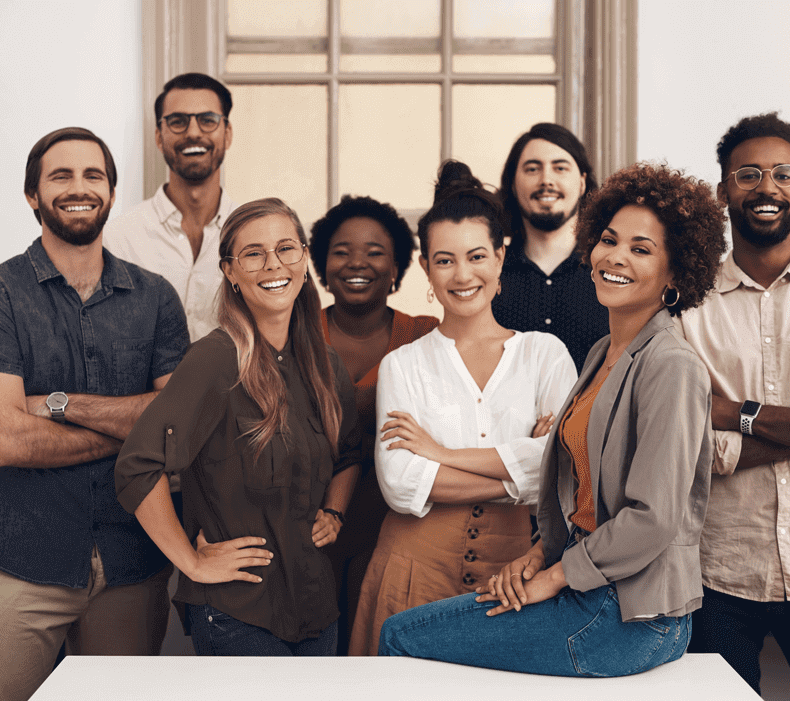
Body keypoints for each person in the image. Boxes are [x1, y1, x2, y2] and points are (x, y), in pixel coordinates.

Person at [379, 162, 727, 679]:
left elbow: (653, 518)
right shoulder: (603, 353)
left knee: (401, 635)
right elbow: (573, 485)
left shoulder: (670, 366)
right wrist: (539, 554)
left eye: (641, 249)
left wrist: (557, 576)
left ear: (676, 273)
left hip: (629, 612)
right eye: (609, 240)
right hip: (594, 588)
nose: (616, 257)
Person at [0, 127, 190, 701]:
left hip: (131, 560)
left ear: (110, 193)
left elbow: (176, 425)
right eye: (60, 176)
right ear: (33, 195)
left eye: (94, 176)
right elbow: (5, 442)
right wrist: (133, 432)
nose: (79, 188)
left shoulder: (156, 298)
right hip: (18, 560)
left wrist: (58, 406)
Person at [348, 161, 577, 656]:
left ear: (500, 257)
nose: (462, 274)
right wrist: (524, 471)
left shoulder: (545, 354)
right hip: (409, 573)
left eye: (476, 256)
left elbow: (568, 471)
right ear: (427, 269)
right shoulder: (401, 366)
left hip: (514, 581)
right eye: (445, 260)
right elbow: (402, 485)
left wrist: (438, 452)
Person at [115, 198, 362, 656]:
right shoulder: (215, 360)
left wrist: (335, 510)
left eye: (287, 248)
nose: (273, 264)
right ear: (230, 271)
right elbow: (136, 467)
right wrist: (190, 561)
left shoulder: (325, 365)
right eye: (253, 253)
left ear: (305, 259)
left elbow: (349, 454)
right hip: (240, 613)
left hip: (316, 608)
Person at [680, 113, 790, 699]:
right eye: (749, 174)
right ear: (722, 193)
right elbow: (688, 446)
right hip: (719, 574)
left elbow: (714, 424)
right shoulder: (687, 307)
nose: (768, 187)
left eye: (783, 173)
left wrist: (734, 411)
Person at [309, 195, 439, 650]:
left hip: (399, 533)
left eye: (375, 252)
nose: (356, 263)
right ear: (322, 266)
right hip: (309, 531)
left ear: (398, 268)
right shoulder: (293, 339)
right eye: (341, 251)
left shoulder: (427, 336)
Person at [104, 72, 237, 342]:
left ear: (227, 133)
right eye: (178, 121)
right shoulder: (117, 240)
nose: (193, 132)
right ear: (158, 136)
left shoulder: (252, 235)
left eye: (208, 120)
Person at [493, 123, 609, 370]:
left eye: (560, 168)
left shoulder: (612, 270)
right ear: (513, 184)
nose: (546, 180)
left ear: (582, 183)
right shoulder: (489, 272)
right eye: (533, 169)